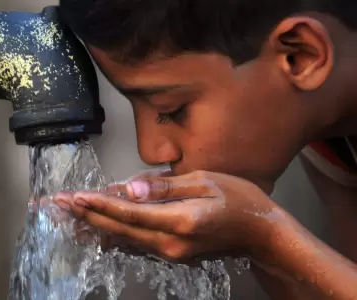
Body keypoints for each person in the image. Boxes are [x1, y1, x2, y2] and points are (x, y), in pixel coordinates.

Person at [55, 0, 357, 299]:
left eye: (172, 110)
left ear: (300, 55)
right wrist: (243, 240)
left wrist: (267, 238)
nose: (151, 150)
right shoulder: (328, 129)